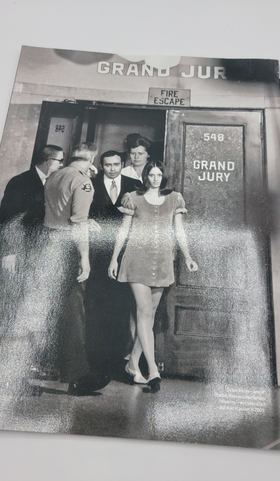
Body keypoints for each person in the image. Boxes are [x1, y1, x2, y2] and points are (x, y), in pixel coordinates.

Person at [0, 145, 65, 394]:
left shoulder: (50, 184)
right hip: (16, 257)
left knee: (17, 317)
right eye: (60, 161)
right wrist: (8, 253)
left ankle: (6, 375)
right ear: (48, 161)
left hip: (33, 258)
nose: (62, 165)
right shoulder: (22, 182)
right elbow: (8, 218)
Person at [108, 160, 198, 392]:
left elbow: (179, 231)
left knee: (148, 317)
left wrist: (188, 256)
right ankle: (153, 370)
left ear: (163, 177)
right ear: (146, 176)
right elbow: (123, 230)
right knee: (144, 313)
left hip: (163, 262)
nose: (155, 179)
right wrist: (114, 258)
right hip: (136, 260)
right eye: (151, 175)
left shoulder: (175, 198)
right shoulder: (133, 198)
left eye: (159, 175)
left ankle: (132, 365)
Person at [42, 142, 109, 396]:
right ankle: (78, 376)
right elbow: (78, 224)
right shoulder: (83, 182)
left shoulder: (55, 175)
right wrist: (84, 257)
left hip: (48, 243)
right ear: (91, 160)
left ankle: (53, 367)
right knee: (73, 311)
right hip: (68, 248)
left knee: (54, 309)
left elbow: (59, 212)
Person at [85, 151, 138, 376]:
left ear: (122, 164)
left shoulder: (134, 185)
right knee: (96, 301)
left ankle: (117, 357)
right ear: (101, 166)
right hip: (97, 252)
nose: (113, 168)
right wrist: (86, 220)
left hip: (125, 252)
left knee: (122, 303)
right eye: (108, 165)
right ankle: (94, 356)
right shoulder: (90, 183)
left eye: (116, 164)